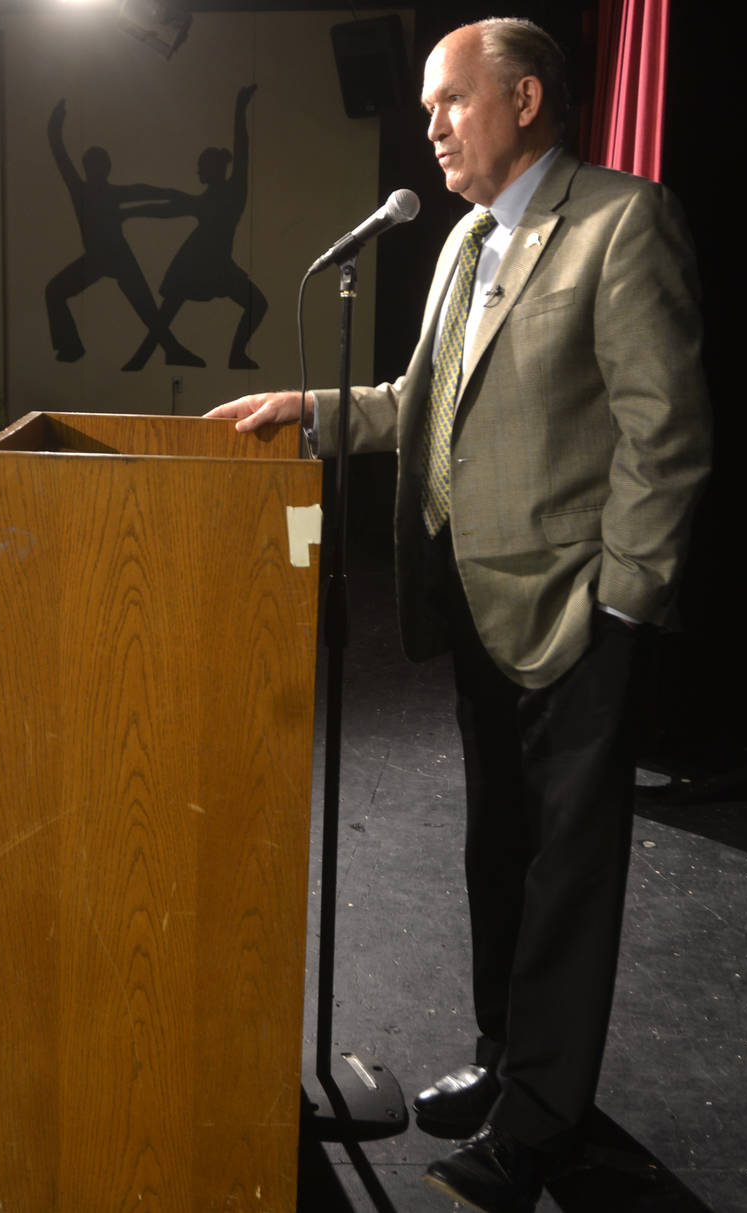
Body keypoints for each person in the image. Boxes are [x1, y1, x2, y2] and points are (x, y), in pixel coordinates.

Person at [206, 19, 711, 1212]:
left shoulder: (620, 223)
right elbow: (415, 399)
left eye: (448, 102)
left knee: (566, 880)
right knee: (499, 856)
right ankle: (502, 1060)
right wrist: (310, 407)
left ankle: (541, 1122)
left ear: (524, 99)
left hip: (575, 618)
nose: (427, 124)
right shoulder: (460, 242)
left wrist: (619, 605)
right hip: (476, 610)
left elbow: (667, 437)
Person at [42, 98, 200, 368]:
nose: (96, 170)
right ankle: (71, 346)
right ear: (88, 168)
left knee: (146, 307)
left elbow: (147, 191)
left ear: (105, 169)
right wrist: (55, 125)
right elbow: (61, 156)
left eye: (99, 165)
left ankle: (174, 349)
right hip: (96, 257)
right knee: (54, 291)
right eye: (92, 165)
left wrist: (182, 198)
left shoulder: (109, 192)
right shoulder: (81, 190)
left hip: (117, 255)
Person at [123, 84, 270, 372]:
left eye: (203, 167)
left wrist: (240, 111)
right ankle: (142, 357)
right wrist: (129, 213)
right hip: (194, 261)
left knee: (255, 304)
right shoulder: (209, 199)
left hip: (213, 263)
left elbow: (242, 149)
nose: (198, 172)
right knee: (169, 311)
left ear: (215, 169)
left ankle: (235, 355)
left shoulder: (233, 190)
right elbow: (166, 210)